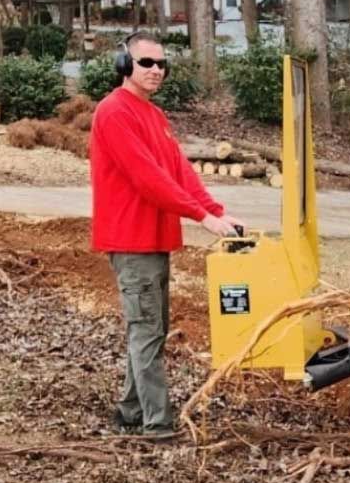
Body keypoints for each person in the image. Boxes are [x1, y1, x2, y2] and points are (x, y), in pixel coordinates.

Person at [90, 32, 243, 439]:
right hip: (130, 240)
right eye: (146, 63)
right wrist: (201, 218)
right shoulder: (113, 112)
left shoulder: (155, 116)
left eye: (161, 64)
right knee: (145, 331)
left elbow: (180, 173)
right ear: (125, 66)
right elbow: (148, 178)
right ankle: (157, 425)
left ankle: (129, 411)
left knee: (149, 330)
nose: (156, 70)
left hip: (155, 240)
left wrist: (216, 211)